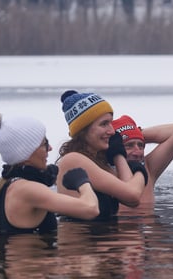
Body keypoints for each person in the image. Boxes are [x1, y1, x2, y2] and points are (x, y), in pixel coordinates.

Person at [0, 111, 99, 233]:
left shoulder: (2, 185)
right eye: (44, 144)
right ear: (26, 153)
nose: (50, 148)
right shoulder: (28, 189)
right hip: (35, 252)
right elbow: (91, 209)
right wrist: (83, 182)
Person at [56, 90, 148, 220]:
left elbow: (131, 200)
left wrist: (118, 155)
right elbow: (133, 195)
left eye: (111, 123)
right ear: (83, 130)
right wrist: (138, 168)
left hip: (103, 237)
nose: (111, 131)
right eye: (104, 124)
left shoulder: (100, 163)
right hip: (81, 238)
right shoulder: (73, 160)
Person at [111, 115, 173, 208]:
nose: (137, 152)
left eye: (141, 145)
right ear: (115, 146)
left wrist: (135, 132)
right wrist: (112, 138)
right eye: (129, 146)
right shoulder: (102, 173)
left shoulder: (148, 169)